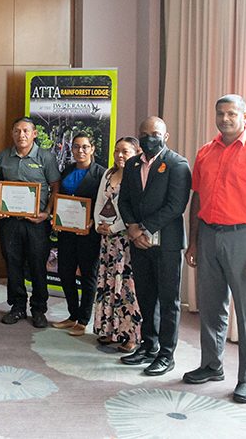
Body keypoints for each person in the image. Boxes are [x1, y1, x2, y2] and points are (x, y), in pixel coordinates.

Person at [183, 95, 246, 404]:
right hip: (210, 236)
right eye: (220, 113)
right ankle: (212, 365)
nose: (225, 118)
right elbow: (196, 200)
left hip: (245, 238)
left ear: (245, 116)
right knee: (212, 306)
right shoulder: (205, 152)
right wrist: (195, 241)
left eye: (231, 113)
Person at [117, 116, 191, 376]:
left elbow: (175, 205)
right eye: (144, 133)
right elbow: (124, 200)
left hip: (167, 245)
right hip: (139, 243)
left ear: (165, 137)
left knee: (168, 301)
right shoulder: (133, 164)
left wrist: (144, 227)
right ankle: (149, 345)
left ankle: (166, 355)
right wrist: (132, 227)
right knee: (145, 297)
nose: (150, 138)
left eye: (155, 133)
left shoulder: (178, 164)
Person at [0, 117, 61, 328]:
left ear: (34, 134)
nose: (21, 135)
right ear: (12, 134)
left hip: (37, 222)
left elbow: (55, 187)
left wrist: (47, 213)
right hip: (10, 222)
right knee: (13, 264)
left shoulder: (46, 157)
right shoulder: (4, 156)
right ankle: (17, 306)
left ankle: (39, 309)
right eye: (17, 131)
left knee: (37, 265)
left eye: (25, 131)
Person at [51, 132, 106, 336]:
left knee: (87, 276)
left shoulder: (101, 174)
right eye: (76, 147)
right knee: (65, 272)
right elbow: (61, 198)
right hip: (66, 232)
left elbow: (106, 202)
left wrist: (94, 221)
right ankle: (72, 315)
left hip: (89, 233)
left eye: (84, 147)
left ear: (92, 149)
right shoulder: (67, 170)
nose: (80, 151)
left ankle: (83, 320)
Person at [93, 137, 143, 352]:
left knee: (126, 286)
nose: (120, 155)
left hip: (126, 239)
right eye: (117, 151)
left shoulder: (137, 177)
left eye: (125, 151)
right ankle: (109, 330)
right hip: (107, 240)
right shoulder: (108, 174)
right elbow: (99, 202)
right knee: (107, 282)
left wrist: (114, 228)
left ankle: (130, 335)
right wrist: (98, 224)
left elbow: (133, 209)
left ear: (136, 153)